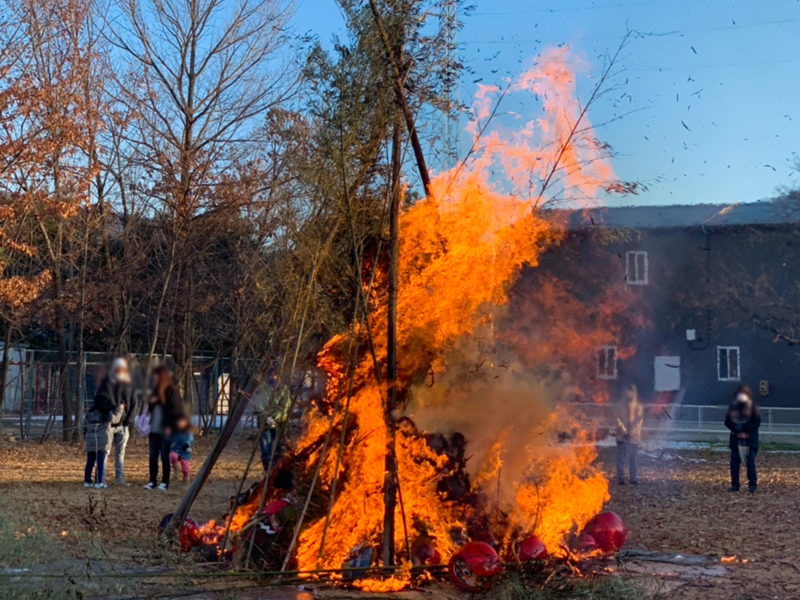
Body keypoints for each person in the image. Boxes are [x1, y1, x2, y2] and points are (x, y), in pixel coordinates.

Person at [145, 366, 187, 490]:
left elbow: (175, 411)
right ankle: (152, 480)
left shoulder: (172, 392)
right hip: (154, 429)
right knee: (153, 456)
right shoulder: (155, 391)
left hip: (166, 430)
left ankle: (165, 481)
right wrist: (152, 402)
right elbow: (150, 410)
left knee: (164, 456)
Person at [95, 358, 135, 485]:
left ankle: (119, 478)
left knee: (120, 452)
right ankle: (101, 478)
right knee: (105, 451)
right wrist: (109, 415)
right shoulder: (106, 383)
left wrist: (128, 421)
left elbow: (134, 403)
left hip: (123, 425)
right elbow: (100, 401)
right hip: (109, 425)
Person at [84, 381, 126, 489]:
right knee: (100, 463)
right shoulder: (106, 413)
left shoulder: (89, 414)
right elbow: (116, 419)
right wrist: (120, 409)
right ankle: (99, 482)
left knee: (90, 462)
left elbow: (84, 427)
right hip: (102, 442)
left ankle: (87, 481)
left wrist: (86, 437)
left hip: (91, 442)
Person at [724, 385, 761, 493]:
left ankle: (752, 485)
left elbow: (756, 423)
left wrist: (743, 428)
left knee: (750, 464)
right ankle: (735, 485)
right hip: (736, 441)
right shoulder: (732, 407)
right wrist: (734, 427)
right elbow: (727, 421)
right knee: (734, 465)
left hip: (750, 441)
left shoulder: (753, 408)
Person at [615, 383, 644, 485]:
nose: (628, 393)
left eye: (630, 391)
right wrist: (624, 432)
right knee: (621, 458)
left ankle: (633, 478)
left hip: (633, 437)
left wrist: (630, 433)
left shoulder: (638, 407)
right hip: (621, 437)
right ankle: (621, 479)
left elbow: (639, 421)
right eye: (626, 391)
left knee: (633, 458)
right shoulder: (619, 406)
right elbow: (617, 420)